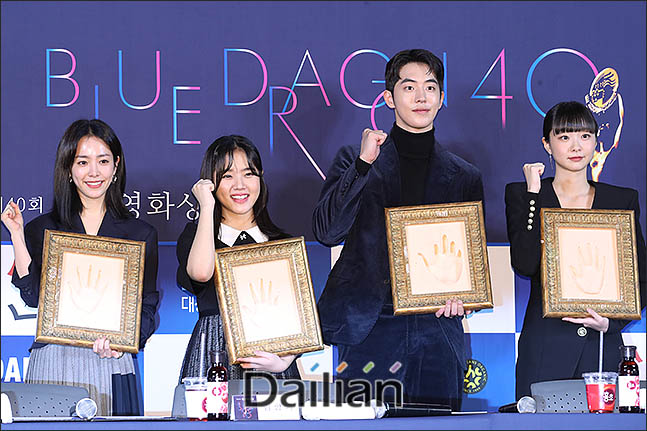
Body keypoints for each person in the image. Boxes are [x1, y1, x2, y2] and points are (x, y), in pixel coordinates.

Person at [312, 49, 484, 410]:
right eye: (409, 87)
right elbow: (328, 231)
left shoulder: (465, 176)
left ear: (441, 97)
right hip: (369, 327)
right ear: (389, 97)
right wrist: (363, 165)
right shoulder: (356, 158)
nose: (420, 97)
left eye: (430, 87)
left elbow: (470, 263)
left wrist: (463, 299)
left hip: (437, 327)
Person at [1, 119, 160, 416]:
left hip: (113, 359)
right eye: (83, 162)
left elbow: (147, 306)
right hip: (54, 360)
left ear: (116, 166)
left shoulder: (140, 234)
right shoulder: (43, 228)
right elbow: (33, 297)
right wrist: (17, 236)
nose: (94, 172)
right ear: (69, 170)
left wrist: (124, 343)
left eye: (103, 161)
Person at [505, 101, 646, 399]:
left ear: (596, 141)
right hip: (544, 345)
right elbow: (525, 264)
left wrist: (612, 322)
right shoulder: (524, 194)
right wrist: (533, 194)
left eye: (584, 136)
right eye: (564, 136)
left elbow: (641, 279)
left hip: (601, 346)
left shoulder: (621, 200)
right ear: (547, 144)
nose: (576, 146)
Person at [176, 135, 299, 382]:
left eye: (249, 174)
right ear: (211, 183)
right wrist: (207, 209)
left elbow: (298, 317)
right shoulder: (198, 235)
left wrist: (284, 359)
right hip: (212, 353)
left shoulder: (281, 243)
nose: (240, 185)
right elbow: (201, 273)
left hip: (271, 358)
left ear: (260, 178)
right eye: (227, 176)